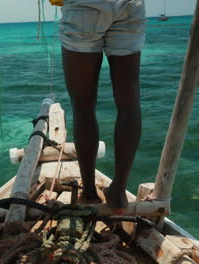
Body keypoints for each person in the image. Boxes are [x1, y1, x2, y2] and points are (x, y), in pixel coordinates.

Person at [59, 0, 147, 213]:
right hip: (130, 5)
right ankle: (118, 194)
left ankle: (89, 192)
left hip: (86, 7)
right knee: (129, 103)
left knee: (83, 104)